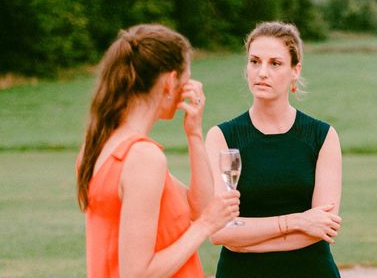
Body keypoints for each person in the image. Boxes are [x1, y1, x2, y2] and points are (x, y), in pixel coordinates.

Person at [76, 23, 240, 277]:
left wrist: (194, 133)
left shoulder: (100, 145)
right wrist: (206, 226)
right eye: (186, 79)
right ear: (170, 80)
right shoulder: (142, 157)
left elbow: (199, 206)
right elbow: (138, 273)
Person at [205, 21, 342, 278]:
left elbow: (323, 228)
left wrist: (244, 239)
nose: (262, 72)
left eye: (275, 63)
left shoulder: (322, 136)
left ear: (295, 70)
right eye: (254, 61)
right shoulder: (222, 137)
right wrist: (297, 222)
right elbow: (219, 231)